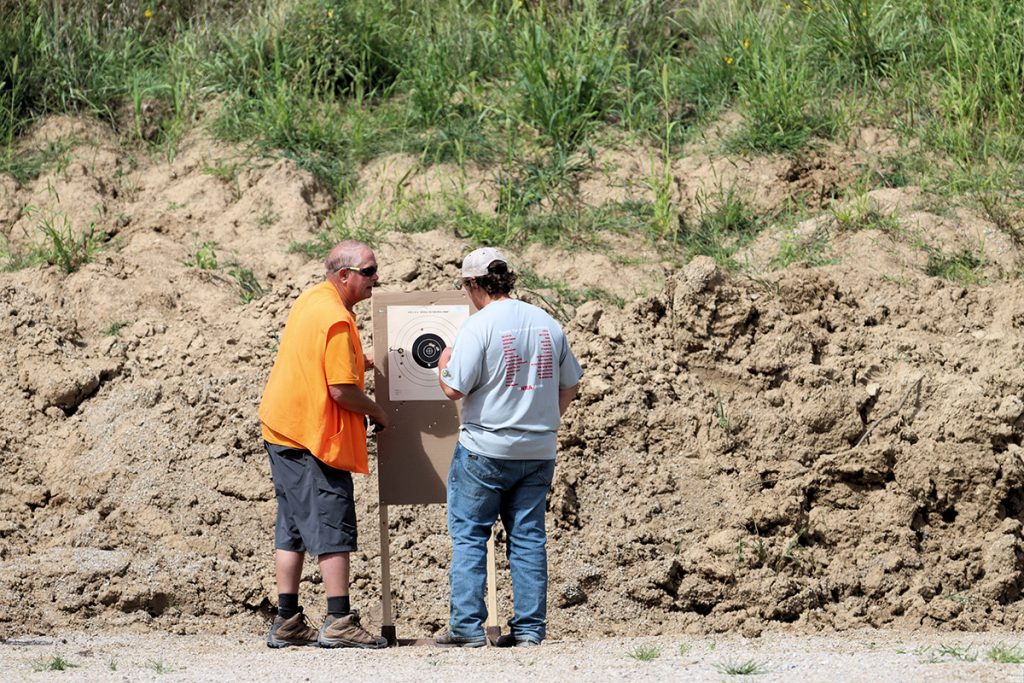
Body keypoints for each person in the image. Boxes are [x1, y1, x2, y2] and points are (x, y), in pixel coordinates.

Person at [434, 247, 583, 648]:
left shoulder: (478, 326)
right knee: (529, 537)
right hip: (538, 451)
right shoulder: (548, 323)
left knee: (469, 535)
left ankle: (466, 628)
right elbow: (570, 383)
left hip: (484, 448)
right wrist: (545, 419)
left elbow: (453, 387)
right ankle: (531, 630)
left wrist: (442, 362)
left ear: (473, 284)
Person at [258, 240, 390, 649]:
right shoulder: (336, 317)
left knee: (293, 527)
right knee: (332, 522)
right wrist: (378, 412)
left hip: (284, 430)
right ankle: (338, 619)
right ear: (344, 275)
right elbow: (340, 390)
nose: (376, 279)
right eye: (368, 272)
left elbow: (323, 361)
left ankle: (287, 619)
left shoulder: (313, 300)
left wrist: (363, 359)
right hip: (312, 436)